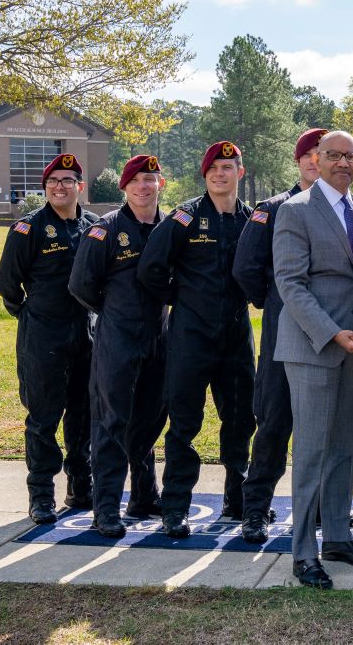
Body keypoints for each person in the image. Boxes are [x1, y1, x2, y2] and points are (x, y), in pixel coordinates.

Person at [274, 131, 353, 590]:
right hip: (315, 347)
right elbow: (290, 283)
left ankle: (337, 535)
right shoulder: (295, 210)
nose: (342, 163)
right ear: (316, 160)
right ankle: (303, 552)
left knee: (343, 449)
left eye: (349, 157)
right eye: (333, 155)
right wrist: (331, 332)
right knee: (313, 452)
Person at [137, 141, 256, 538]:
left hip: (236, 334)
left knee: (240, 421)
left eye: (228, 167)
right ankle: (175, 507)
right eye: (213, 169)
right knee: (185, 423)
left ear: (241, 172)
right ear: (204, 176)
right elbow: (151, 269)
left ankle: (237, 499)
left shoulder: (251, 219)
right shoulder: (185, 217)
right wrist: (182, 299)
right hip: (191, 335)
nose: (220, 174)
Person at [232, 128, 328, 543]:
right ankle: (256, 509)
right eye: (307, 154)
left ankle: (322, 509)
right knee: (273, 421)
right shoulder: (271, 208)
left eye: (321, 154)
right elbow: (245, 268)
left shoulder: (347, 208)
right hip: (283, 329)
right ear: (299, 161)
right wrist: (272, 302)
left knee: (323, 425)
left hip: (328, 330)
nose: (314, 161)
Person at [69, 154, 169, 538]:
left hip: (158, 337)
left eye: (151, 179)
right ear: (124, 187)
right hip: (118, 338)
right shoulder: (106, 229)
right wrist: (111, 314)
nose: (144, 186)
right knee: (111, 422)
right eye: (136, 180)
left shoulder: (169, 227)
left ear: (160, 184)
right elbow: (80, 285)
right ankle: (106, 507)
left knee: (149, 419)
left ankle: (144, 495)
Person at [0, 153, 97, 523]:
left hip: (85, 334)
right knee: (43, 417)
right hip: (43, 336)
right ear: (45, 188)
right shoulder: (28, 228)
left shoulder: (95, 226)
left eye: (68, 180)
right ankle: (41, 495)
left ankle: (81, 486)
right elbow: (7, 283)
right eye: (53, 181)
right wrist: (27, 314)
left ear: (79, 187)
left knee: (83, 415)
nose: (60, 186)